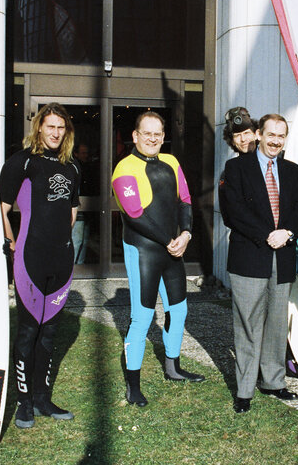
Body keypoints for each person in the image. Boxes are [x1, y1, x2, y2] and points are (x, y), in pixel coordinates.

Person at [111, 111, 204, 408]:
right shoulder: (124, 168)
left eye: (158, 133)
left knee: (179, 309)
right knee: (142, 317)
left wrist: (186, 233)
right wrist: (169, 241)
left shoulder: (172, 162)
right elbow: (135, 215)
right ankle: (133, 385)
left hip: (172, 248)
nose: (152, 138)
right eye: (146, 133)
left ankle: (172, 367)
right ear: (135, 136)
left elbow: (185, 200)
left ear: (164, 136)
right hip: (144, 251)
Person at [0, 102, 80, 428]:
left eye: (61, 127)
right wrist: (11, 242)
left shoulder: (72, 167)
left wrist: (62, 242)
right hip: (29, 258)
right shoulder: (23, 162)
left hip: (61, 261)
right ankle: (23, 403)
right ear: (39, 128)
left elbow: (71, 211)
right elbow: (2, 207)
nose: (56, 132)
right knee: (28, 331)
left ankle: (43, 399)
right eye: (50, 126)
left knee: (50, 333)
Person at [221, 113, 298, 413]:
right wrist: (267, 235)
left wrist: (287, 233)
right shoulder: (236, 168)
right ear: (258, 134)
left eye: (281, 136)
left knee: (275, 324)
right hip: (249, 257)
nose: (275, 141)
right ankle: (244, 390)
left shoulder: (292, 171)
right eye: (270, 134)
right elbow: (232, 212)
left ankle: (273, 381)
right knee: (247, 324)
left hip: (282, 257)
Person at [218, 107, 257, 228]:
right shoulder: (228, 172)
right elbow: (228, 216)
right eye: (238, 135)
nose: (243, 139)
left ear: (256, 135)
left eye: (246, 133)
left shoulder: (274, 162)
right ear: (232, 141)